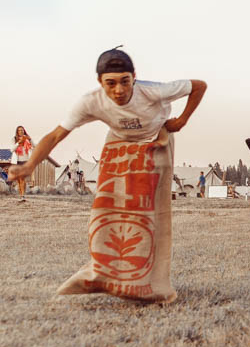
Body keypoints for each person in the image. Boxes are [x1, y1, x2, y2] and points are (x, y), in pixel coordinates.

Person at [8, 46, 206, 303]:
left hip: (155, 143)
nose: (119, 90)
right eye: (110, 84)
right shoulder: (90, 101)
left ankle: (148, 284)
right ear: (100, 82)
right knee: (105, 208)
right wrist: (29, 165)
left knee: (149, 213)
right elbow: (57, 134)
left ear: (134, 76)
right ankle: (102, 274)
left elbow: (199, 85)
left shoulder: (154, 90)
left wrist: (182, 120)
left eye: (125, 82)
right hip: (119, 143)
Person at [12, 126, 33, 201]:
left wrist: (30, 139)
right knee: (18, 180)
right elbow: (11, 149)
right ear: (17, 132)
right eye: (19, 130)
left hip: (25, 161)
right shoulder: (14, 139)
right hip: (17, 161)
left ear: (24, 131)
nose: (21, 131)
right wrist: (18, 143)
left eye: (22, 130)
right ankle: (21, 195)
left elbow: (34, 146)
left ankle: (23, 195)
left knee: (22, 179)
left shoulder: (27, 139)